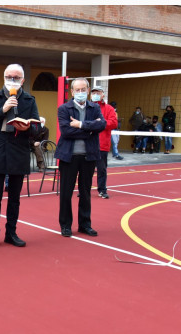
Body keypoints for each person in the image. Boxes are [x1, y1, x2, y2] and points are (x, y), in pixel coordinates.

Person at [0, 64, 40, 249]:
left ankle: (11, 233)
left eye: (16, 77)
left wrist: (29, 127)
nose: (12, 80)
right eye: (9, 76)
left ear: (22, 80)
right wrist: (3, 110)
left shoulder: (29, 100)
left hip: (18, 151)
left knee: (14, 199)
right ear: (4, 77)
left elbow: (38, 128)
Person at [55, 77, 106, 237]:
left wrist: (81, 124)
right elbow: (66, 131)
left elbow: (102, 125)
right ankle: (65, 225)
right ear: (72, 91)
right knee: (66, 192)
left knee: (85, 192)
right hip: (68, 157)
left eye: (83, 89)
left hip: (88, 156)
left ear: (88, 90)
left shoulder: (94, 108)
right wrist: (90, 130)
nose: (81, 92)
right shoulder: (64, 108)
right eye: (77, 90)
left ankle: (85, 224)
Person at [90, 86, 117, 199]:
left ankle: (102, 190)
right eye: (94, 92)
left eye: (98, 92)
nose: (96, 94)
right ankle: (84, 189)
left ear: (102, 94)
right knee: (87, 169)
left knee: (101, 169)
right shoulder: (87, 107)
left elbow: (114, 123)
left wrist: (101, 123)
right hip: (89, 143)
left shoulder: (109, 108)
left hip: (102, 144)